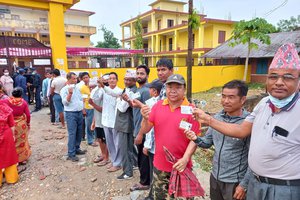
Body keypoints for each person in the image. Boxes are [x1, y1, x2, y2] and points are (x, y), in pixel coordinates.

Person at [189, 43, 300, 200]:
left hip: (284, 188)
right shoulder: (263, 104)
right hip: (252, 183)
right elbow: (240, 131)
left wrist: (244, 183)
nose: (279, 82)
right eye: (273, 76)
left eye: (287, 77)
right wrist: (200, 130)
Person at [138, 74, 201, 199]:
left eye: (178, 87)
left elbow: (195, 139)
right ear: (165, 89)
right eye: (170, 87)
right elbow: (145, 130)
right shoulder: (157, 106)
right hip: (160, 166)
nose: (173, 90)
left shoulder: (191, 110)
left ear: (184, 90)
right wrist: (145, 119)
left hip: (181, 167)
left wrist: (185, 159)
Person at [186, 80, 251, 200]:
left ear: (242, 100)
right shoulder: (217, 118)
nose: (225, 101)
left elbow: (254, 159)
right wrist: (195, 138)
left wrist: (244, 184)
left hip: (235, 181)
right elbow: (207, 143)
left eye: (231, 97)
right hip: (215, 177)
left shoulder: (248, 123)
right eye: (223, 96)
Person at [140, 78, 163, 200]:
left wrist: (147, 145)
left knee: (154, 172)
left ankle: (152, 195)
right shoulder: (164, 103)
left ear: (154, 92)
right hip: (161, 146)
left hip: (153, 146)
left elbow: (150, 128)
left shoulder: (150, 103)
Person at [130, 65, 151, 191]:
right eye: (137, 73)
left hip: (143, 129)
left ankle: (145, 182)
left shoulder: (147, 91)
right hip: (137, 126)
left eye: (142, 73)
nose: (139, 76)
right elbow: (136, 107)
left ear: (147, 76)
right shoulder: (139, 89)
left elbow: (149, 112)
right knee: (141, 156)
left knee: (143, 158)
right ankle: (145, 179)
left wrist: (141, 133)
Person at [115, 69, 137, 180]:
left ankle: (127, 172)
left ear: (134, 80)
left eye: (129, 80)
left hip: (125, 124)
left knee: (125, 149)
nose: (126, 81)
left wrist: (119, 100)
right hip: (125, 123)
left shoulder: (131, 91)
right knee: (129, 147)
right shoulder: (127, 89)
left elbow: (122, 108)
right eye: (125, 79)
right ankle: (135, 164)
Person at [2, 87, 31, 169]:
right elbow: (28, 115)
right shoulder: (24, 103)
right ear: (21, 94)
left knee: (12, 142)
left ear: (12, 94)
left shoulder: (5, 101)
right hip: (21, 125)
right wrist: (28, 123)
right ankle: (23, 159)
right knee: (22, 141)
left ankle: (14, 159)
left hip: (10, 124)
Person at [60, 72, 86, 162]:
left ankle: (77, 148)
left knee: (79, 132)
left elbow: (80, 99)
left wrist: (83, 109)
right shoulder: (64, 89)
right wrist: (70, 94)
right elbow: (65, 103)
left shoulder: (77, 88)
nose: (75, 80)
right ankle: (71, 153)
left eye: (76, 78)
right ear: (68, 79)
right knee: (72, 133)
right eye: (73, 79)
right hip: (71, 113)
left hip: (79, 112)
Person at [100, 72, 123, 172]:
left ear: (117, 80)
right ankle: (114, 161)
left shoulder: (120, 91)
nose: (112, 80)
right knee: (110, 144)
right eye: (110, 78)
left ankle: (118, 163)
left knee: (117, 143)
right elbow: (94, 97)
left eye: (114, 78)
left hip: (115, 122)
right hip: (105, 121)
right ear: (107, 80)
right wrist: (98, 85)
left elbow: (112, 93)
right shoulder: (103, 91)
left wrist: (103, 86)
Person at [89, 74, 110, 166]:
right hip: (98, 120)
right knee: (100, 139)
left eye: (103, 80)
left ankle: (106, 158)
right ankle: (103, 155)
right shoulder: (97, 91)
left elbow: (103, 109)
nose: (100, 81)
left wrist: (92, 104)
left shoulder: (107, 92)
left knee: (105, 140)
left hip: (104, 121)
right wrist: (93, 122)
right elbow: (95, 108)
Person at [0, 101, 19, 187]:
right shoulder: (4, 107)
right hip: (6, 133)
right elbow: (11, 124)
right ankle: (12, 179)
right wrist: (13, 135)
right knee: (9, 156)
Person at [79, 72, 96, 146]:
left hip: (95, 107)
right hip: (88, 108)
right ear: (82, 79)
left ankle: (96, 138)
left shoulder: (94, 86)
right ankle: (90, 140)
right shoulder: (82, 88)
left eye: (87, 77)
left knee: (95, 124)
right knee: (89, 124)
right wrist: (83, 109)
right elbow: (83, 100)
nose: (86, 79)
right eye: (84, 78)